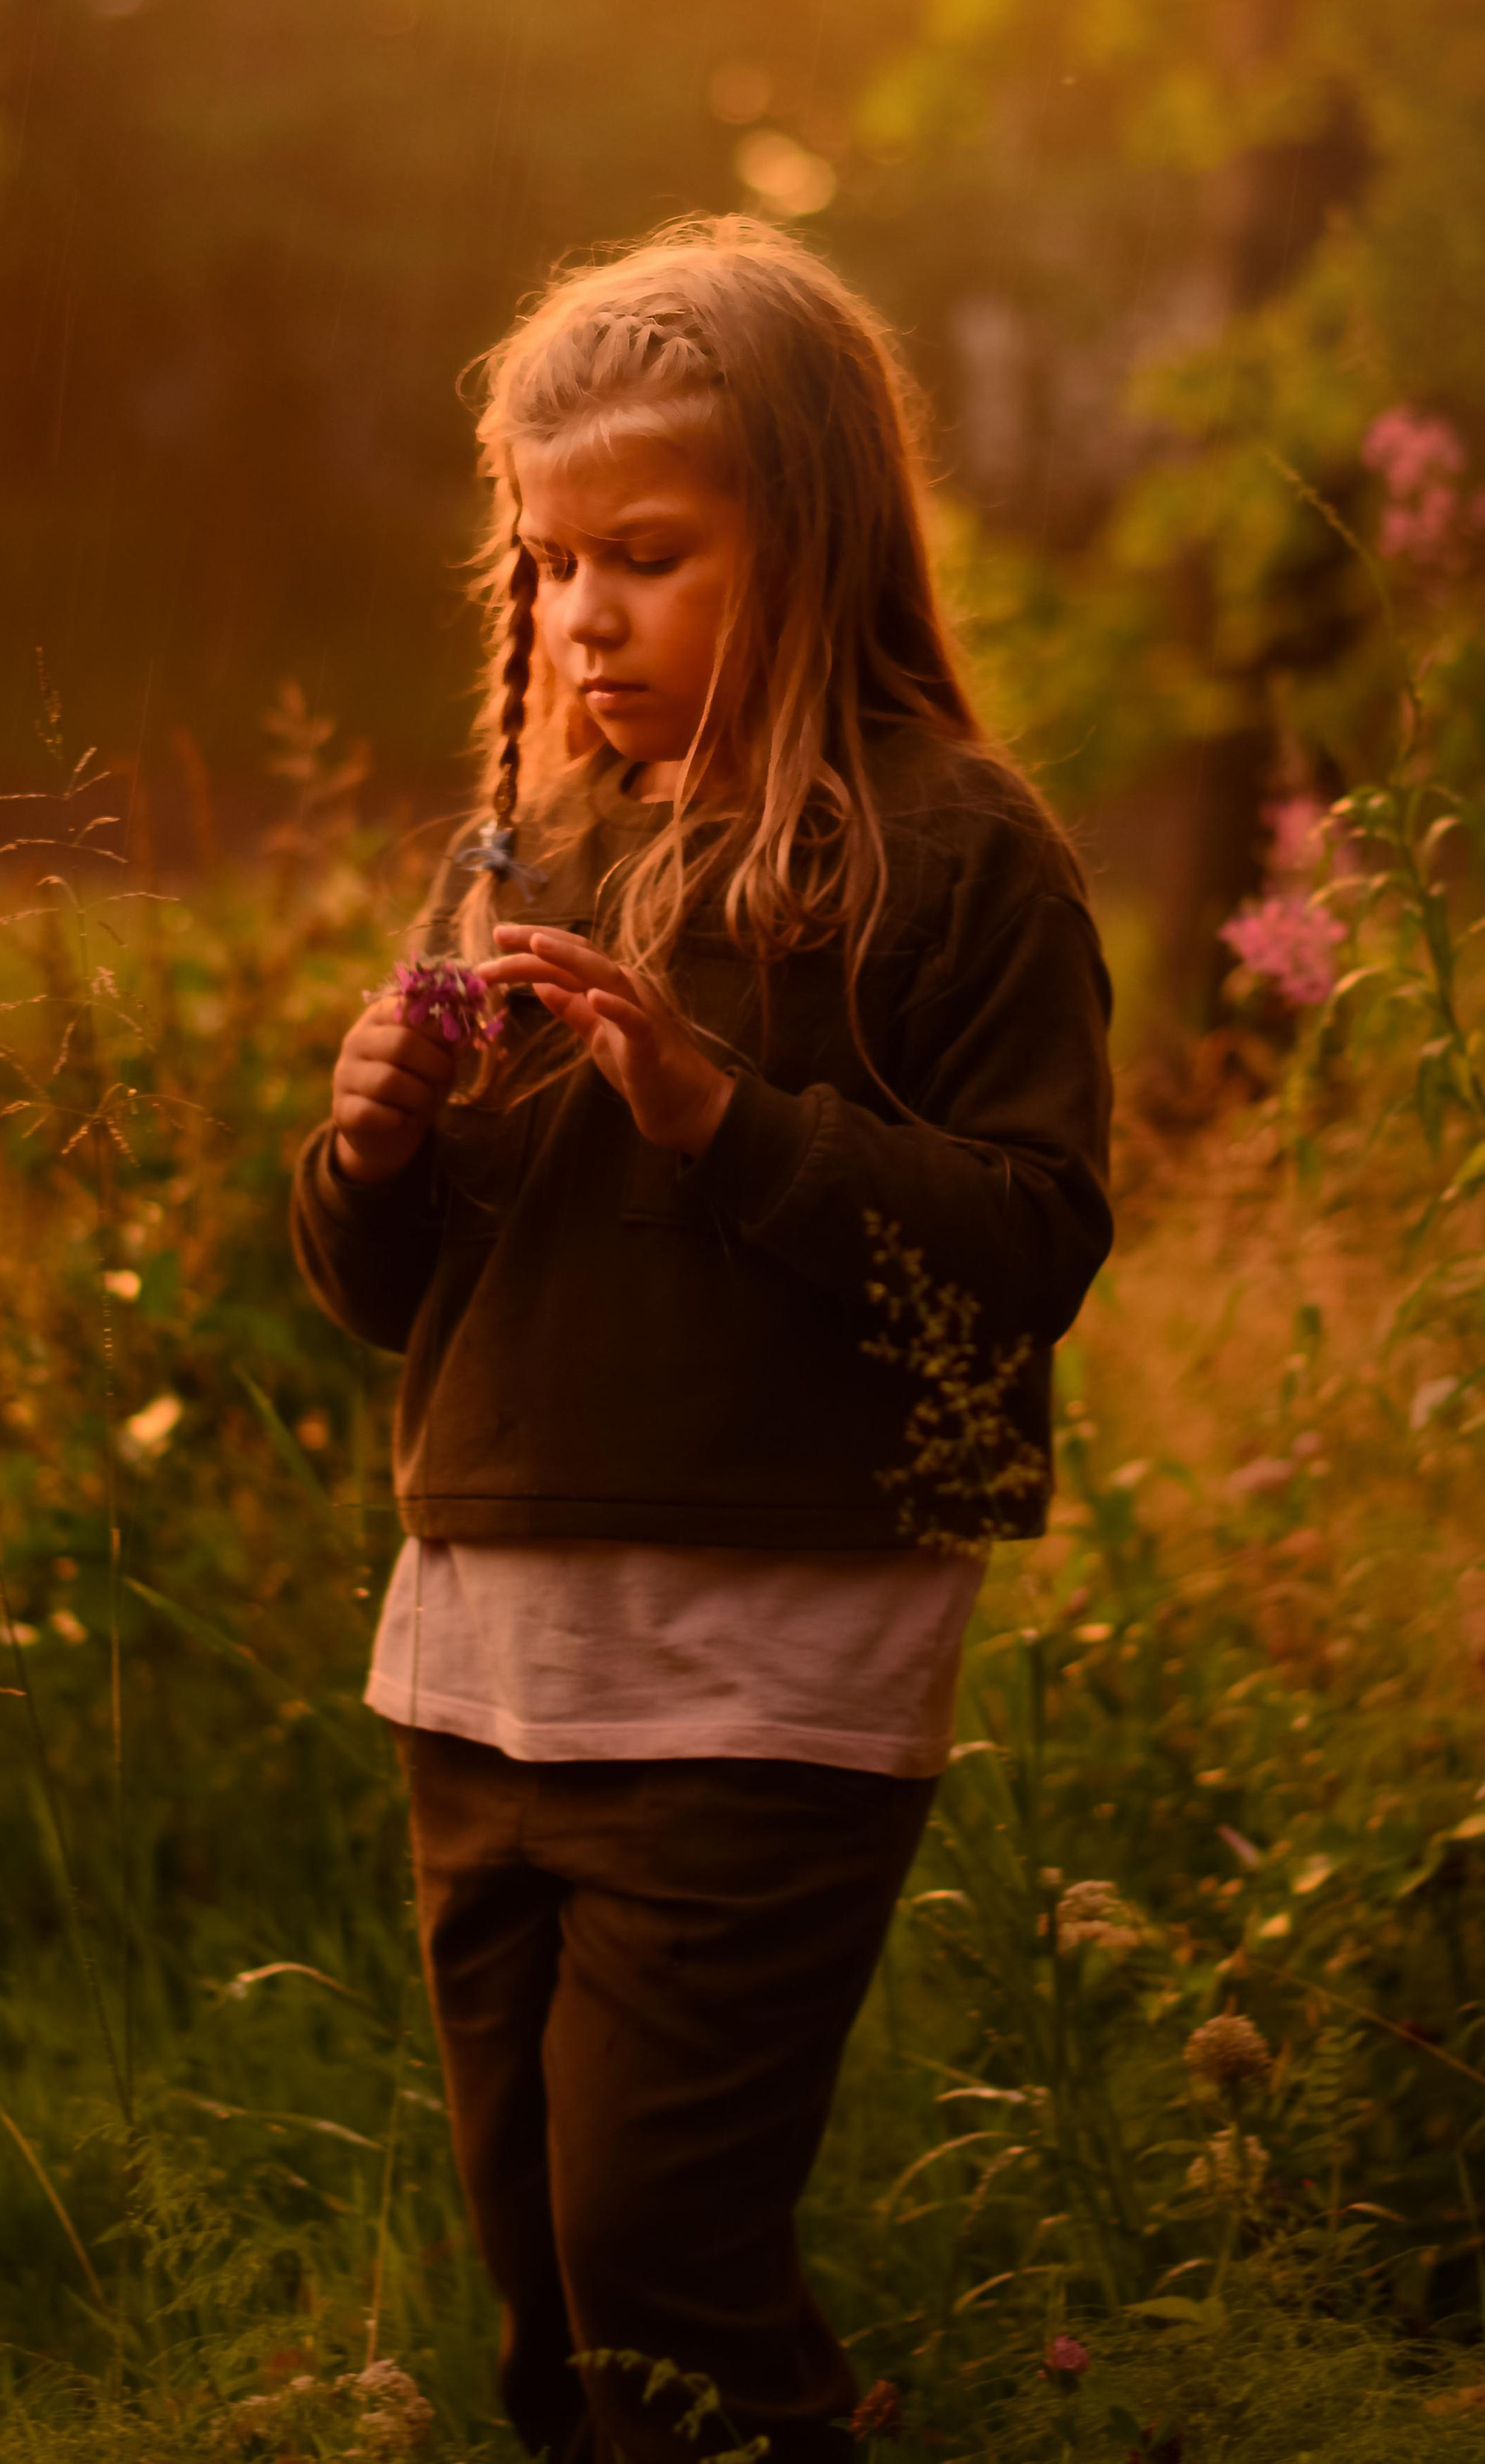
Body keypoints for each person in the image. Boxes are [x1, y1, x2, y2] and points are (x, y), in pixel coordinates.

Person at [290, 216, 1113, 2464]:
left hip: (768, 1679)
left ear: (815, 539)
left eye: (646, 557)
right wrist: (368, 1147)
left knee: (660, 2262)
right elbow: (392, 1297)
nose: (584, 616)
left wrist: (719, 1117)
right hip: (483, 1673)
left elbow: (1035, 1241)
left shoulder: (957, 855)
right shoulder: (524, 850)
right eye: (551, 562)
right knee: (548, 2291)